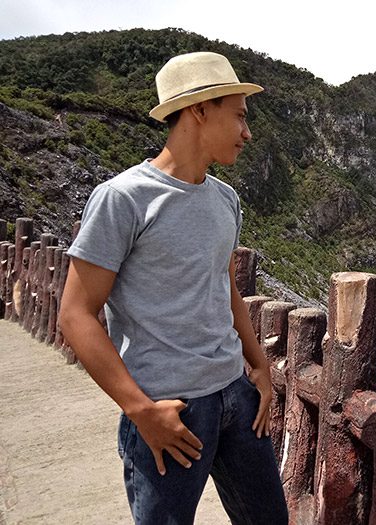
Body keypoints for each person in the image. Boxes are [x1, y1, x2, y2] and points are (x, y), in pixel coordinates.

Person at [60, 51, 288, 524]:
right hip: (171, 411)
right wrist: (141, 410)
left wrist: (260, 367)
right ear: (200, 109)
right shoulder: (123, 199)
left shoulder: (226, 200)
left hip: (236, 396)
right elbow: (76, 314)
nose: (248, 133)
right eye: (240, 116)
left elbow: (225, 288)